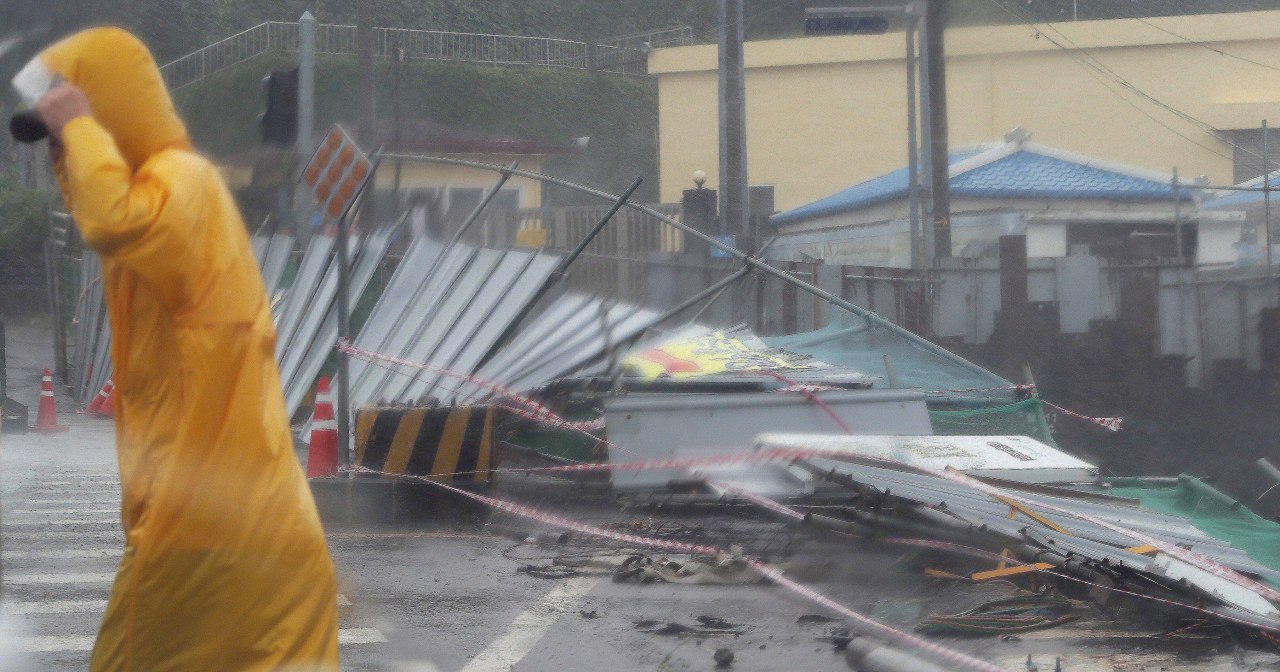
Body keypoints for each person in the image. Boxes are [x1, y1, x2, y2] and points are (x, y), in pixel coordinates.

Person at [10, 27, 339, 670]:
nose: (64, 148)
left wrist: (78, 129)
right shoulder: (166, 198)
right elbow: (103, 212)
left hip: (202, 527)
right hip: (237, 519)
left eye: (72, 127)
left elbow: (111, 220)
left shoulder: (182, 182)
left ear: (112, 115)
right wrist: (73, 144)